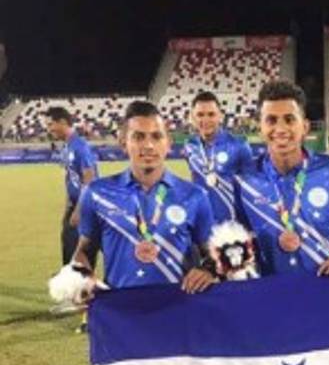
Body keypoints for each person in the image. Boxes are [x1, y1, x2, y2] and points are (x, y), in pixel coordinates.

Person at [72, 100, 216, 294]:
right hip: (121, 314)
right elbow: (85, 250)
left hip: (179, 311)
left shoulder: (195, 196)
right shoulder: (97, 193)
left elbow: (212, 254)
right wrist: (81, 278)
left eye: (156, 137)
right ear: (124, 143)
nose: (148, 145)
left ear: (168, 144)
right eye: (139, 137)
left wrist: (207, 270)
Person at [230, 79, 329, 276]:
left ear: (305, 127)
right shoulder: (245, 178)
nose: (281, 128)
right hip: (270, 291)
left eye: (290, 119)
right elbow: (239, 235)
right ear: (260, 127)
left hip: (326, 287)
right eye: (271, 120)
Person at [183, 90, 253, 224]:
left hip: (232, 226)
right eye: (200, 115)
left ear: (220, 116)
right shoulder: (189, 146)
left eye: (211, 114)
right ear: (192, 117)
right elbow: (195, 177)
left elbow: (252, 189)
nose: (205, 120)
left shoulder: (239, 145)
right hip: (202, 224)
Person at [45, 106, 99, 267]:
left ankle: (82, 286)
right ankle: (72, 281)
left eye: (50, 124)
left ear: (62, 122)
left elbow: (89, 179)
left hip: (86, 207)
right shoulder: (67, 146)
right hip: (75, 205)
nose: (49, 129)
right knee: (69, 246)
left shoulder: (79, 146)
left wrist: (79, 209)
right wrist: (68, 204)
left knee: (81, 252)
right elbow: (70, 177)